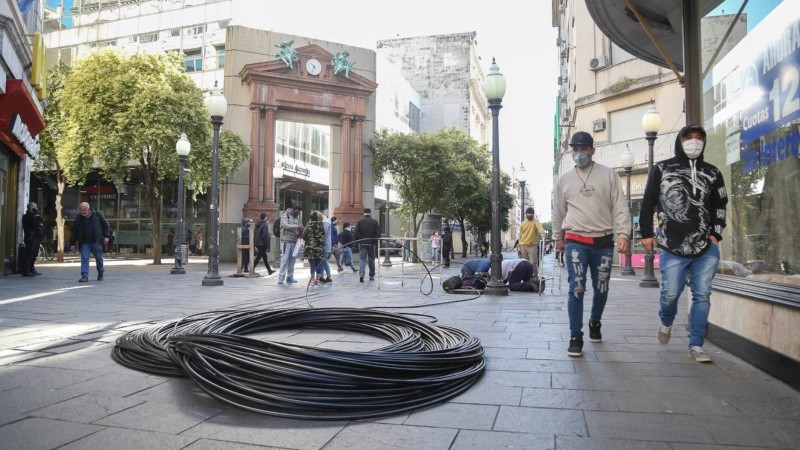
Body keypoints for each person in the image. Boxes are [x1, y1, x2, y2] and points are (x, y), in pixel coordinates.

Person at [639, 124, 728, 363]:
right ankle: (666, 322)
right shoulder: (662, 169)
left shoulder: (713, 172)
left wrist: (716, 234)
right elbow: (648, 203)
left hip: (706, 247)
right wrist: (646, 234)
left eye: (699, 137)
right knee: (671, 294)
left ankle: (696, 345)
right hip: (672, 244)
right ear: (680, 140)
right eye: (689, 137)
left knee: (702, 295)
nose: (694, 141)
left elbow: (720, 204)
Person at [552, 131, 631, 358]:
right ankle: (575, 336)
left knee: (601, 288)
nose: (579, 153)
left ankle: (595, 321)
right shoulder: (564, 179)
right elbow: (558, 211)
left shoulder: (609, 175)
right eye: (575, 149)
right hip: (575, 240)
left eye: (584, 148)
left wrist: (624, 234)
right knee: (576, 288)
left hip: (603, 242)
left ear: (592, 150)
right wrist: (558, 238)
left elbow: (620, 206)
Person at [69, 202, 112, 282]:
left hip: (96, 242)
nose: (83, 212)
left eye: (84, 210)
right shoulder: (78, 218)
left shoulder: (98, 215)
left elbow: (106, 226)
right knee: (84, 258)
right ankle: (84, 276)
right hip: (85, 243)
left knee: (99, 259)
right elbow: (74, 231)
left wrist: (107, 236)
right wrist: (72, 244)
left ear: (89, 209)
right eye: (81, 210)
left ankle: (100, 272)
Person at [277, 205, 304, 284]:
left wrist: (299, 232)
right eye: (297, 212)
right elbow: (285, 225)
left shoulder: (296, 218)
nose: (298, 214)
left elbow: (295, 229)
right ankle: (281, 277)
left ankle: (290, 276)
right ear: (294, 210)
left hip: (294, 241)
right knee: (284, 259)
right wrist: (297, 226)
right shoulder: (285, 215)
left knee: (292, 260)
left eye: (299, 213)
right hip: (286, 241)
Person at [354, 208, 380, 282]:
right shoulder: (374, 222)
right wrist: (374, 241)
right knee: (371, 260)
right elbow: (378, 233)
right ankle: (371, 276)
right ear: (370, 213)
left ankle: (361, 275)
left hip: (362, 243)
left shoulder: (360, 221)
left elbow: (356, 232)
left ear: (364, 213)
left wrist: (357, 241)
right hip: (371, 243)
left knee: (362, 259)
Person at [519, 207, 546, 273]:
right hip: (523, 245)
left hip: (532, 245)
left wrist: (543, 235)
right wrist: (519, 245)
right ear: (526, 214)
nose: (530, 215)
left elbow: (540, 229)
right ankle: (526, 275)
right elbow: (521, 235)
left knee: (533, 262)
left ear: (533, 214)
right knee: (525, 262)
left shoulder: (536, 222)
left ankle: (535, 275)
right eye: (528, 214)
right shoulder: (523, 223)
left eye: (531, 214)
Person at [21, 202, 44, 277]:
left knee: (35, 254)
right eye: (34, 207)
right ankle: (26, 270)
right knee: (30, 254)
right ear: (30, 208)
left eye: (36, 207)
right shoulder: (27, 216)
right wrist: (37, 218)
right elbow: (35, 224)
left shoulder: (35, 216)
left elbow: (41, 223)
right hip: (30, 238)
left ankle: (31, 268)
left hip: (36, 237)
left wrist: (38, 217)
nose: (36, 208)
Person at [302, 211, 325, 286]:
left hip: (310, 248)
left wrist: (309, 240)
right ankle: (318, 280)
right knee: (319, 263)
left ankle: (312, 280)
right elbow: (323, 235)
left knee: (312, 264)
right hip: (320, 248)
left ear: (311, 218)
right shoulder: (321, 226)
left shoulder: (309, 226)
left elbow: (303, 236)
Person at [315, 212, 333, 283]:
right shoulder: (325, 222)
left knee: (324, 261)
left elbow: (323, 233)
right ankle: (322, 277)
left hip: (325, 245)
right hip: (324, 244)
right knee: (322, 262)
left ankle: (329, 276)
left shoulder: (326, 223)